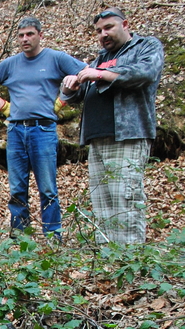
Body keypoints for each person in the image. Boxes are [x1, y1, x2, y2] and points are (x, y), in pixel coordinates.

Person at [60, 7, 164, 244]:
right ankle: (108, 263)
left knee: (124, 200)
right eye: (98, 31)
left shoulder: (145, 47)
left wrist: (100, 74)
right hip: (97, 139)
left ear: (125, 24)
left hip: (127, 135)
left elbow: (145, 73)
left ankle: (129, 262)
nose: (103, 34)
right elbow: (79, 94)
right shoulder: (99, 59)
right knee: (102, 204)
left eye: (108, 28)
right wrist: (69, 88)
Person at [0, 17, 85, 239]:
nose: (25, 39)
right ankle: (19, 238)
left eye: (30, 34)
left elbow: (85, 74)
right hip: (16, 131)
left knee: (47, 189)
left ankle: (53, 238)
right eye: (21, 35)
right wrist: (3, 105)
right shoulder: (11, 63)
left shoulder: (55, 58)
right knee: (17, 188)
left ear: (40, 35)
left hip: (42, 130)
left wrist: (63, 99)